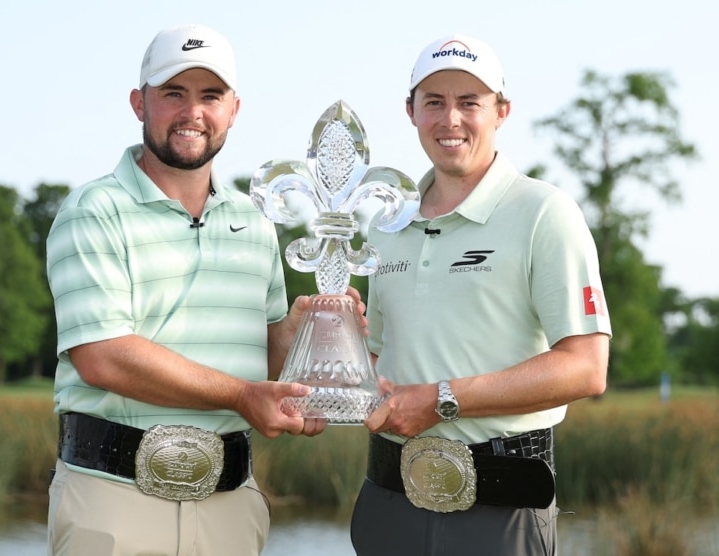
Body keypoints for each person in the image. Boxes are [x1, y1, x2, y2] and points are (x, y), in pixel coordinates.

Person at [45, 24, 360, 556]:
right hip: (113, 499)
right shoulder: (94, 211)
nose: (193, 112)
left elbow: (259, 362)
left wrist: (301, 336)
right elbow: (103, 357)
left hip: (230, 505)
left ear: (233, 109)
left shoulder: (254, 222)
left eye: (210, 96)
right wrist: (242, 396)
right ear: (139, 102)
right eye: (173, 93)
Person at [350, 33, 612, 556]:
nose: (450, 119)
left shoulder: (544, 213)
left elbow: (586, 368)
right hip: (387, 500)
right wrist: (337, 349)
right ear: (411, 111)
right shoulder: (386, 224)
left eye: (469, 102)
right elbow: (380, 356)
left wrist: (443, 400)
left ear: (501, 111)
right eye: (434, 102)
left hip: (501, 507)